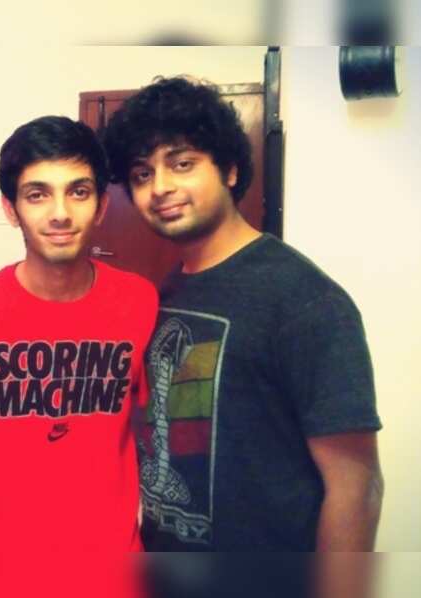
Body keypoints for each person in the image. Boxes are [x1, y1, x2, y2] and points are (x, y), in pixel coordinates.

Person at [103, 76, 384, 552]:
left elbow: (357, 486)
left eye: (182, 164)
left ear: (230, 170)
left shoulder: (305, 300)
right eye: (142, 174)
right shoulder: (167, 291)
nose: (161, 187)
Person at [0, 115, 158, 553]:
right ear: (10, 209)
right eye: (37, 194)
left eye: (78, 191)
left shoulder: (140, 301)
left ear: (101, 206)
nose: (60, 213)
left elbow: (153, 423)